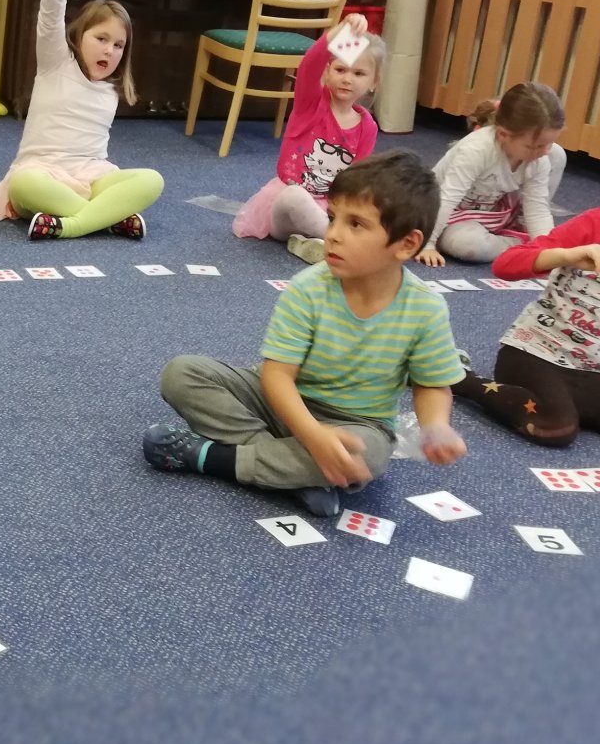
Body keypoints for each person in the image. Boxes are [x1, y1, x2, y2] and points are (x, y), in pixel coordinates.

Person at [146, 152, 467, 516]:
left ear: (406, 244)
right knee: (181, 373)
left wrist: (436, 426)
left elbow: (430, 384)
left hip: (357, 424)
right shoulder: (307, 288)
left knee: (370, 456)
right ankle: (292, 472)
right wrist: (313, 438)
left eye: (356, 224)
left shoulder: (426, 309)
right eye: (332, 218)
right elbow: (276, 377)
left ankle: (216, 459)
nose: (333, 235)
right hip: (280, 402)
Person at [452, 132, 600, 452]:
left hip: (594, 370)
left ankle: (562, 404)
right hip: (534, 352)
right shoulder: (596, 223)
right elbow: (505, 265)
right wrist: (566, 256)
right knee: (555, 428)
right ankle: (462, 379)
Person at [0, 0, 163, 239]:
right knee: (24, 184)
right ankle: (105, 218)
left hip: (91, 176)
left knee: (152, 180)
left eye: (118, 45)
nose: (109, 50)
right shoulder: (56, 62)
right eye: (101, 38)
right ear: (79, 35)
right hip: (43, 173)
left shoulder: (111, 90)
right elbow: (50, 17)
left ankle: (71, 225)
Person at [232, 14, 384, 265]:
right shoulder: (311, 104)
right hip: (284, 206)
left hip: (328, 209)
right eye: (340, 69)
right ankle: (342, 243)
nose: (347, 79)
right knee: (295, 196)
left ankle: (315, 242)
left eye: (359, 73)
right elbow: (309, 66)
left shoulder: (367, 126)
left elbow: (357, 179)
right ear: (328, 71)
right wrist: (337, 33)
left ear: (373, 82)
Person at [417, 84, 567, 267]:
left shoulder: (538, 157)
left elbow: (537, 207)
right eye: (534, 146)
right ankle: (520, 245)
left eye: (548, 144)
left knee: (557, 154)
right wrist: (428, 243)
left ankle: (526, 237)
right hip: (446, 214)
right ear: (503, 134)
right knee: (469, 245)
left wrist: (549, 253)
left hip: (494, 211)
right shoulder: (476, 150)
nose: (544, 152)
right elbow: (446, 199)